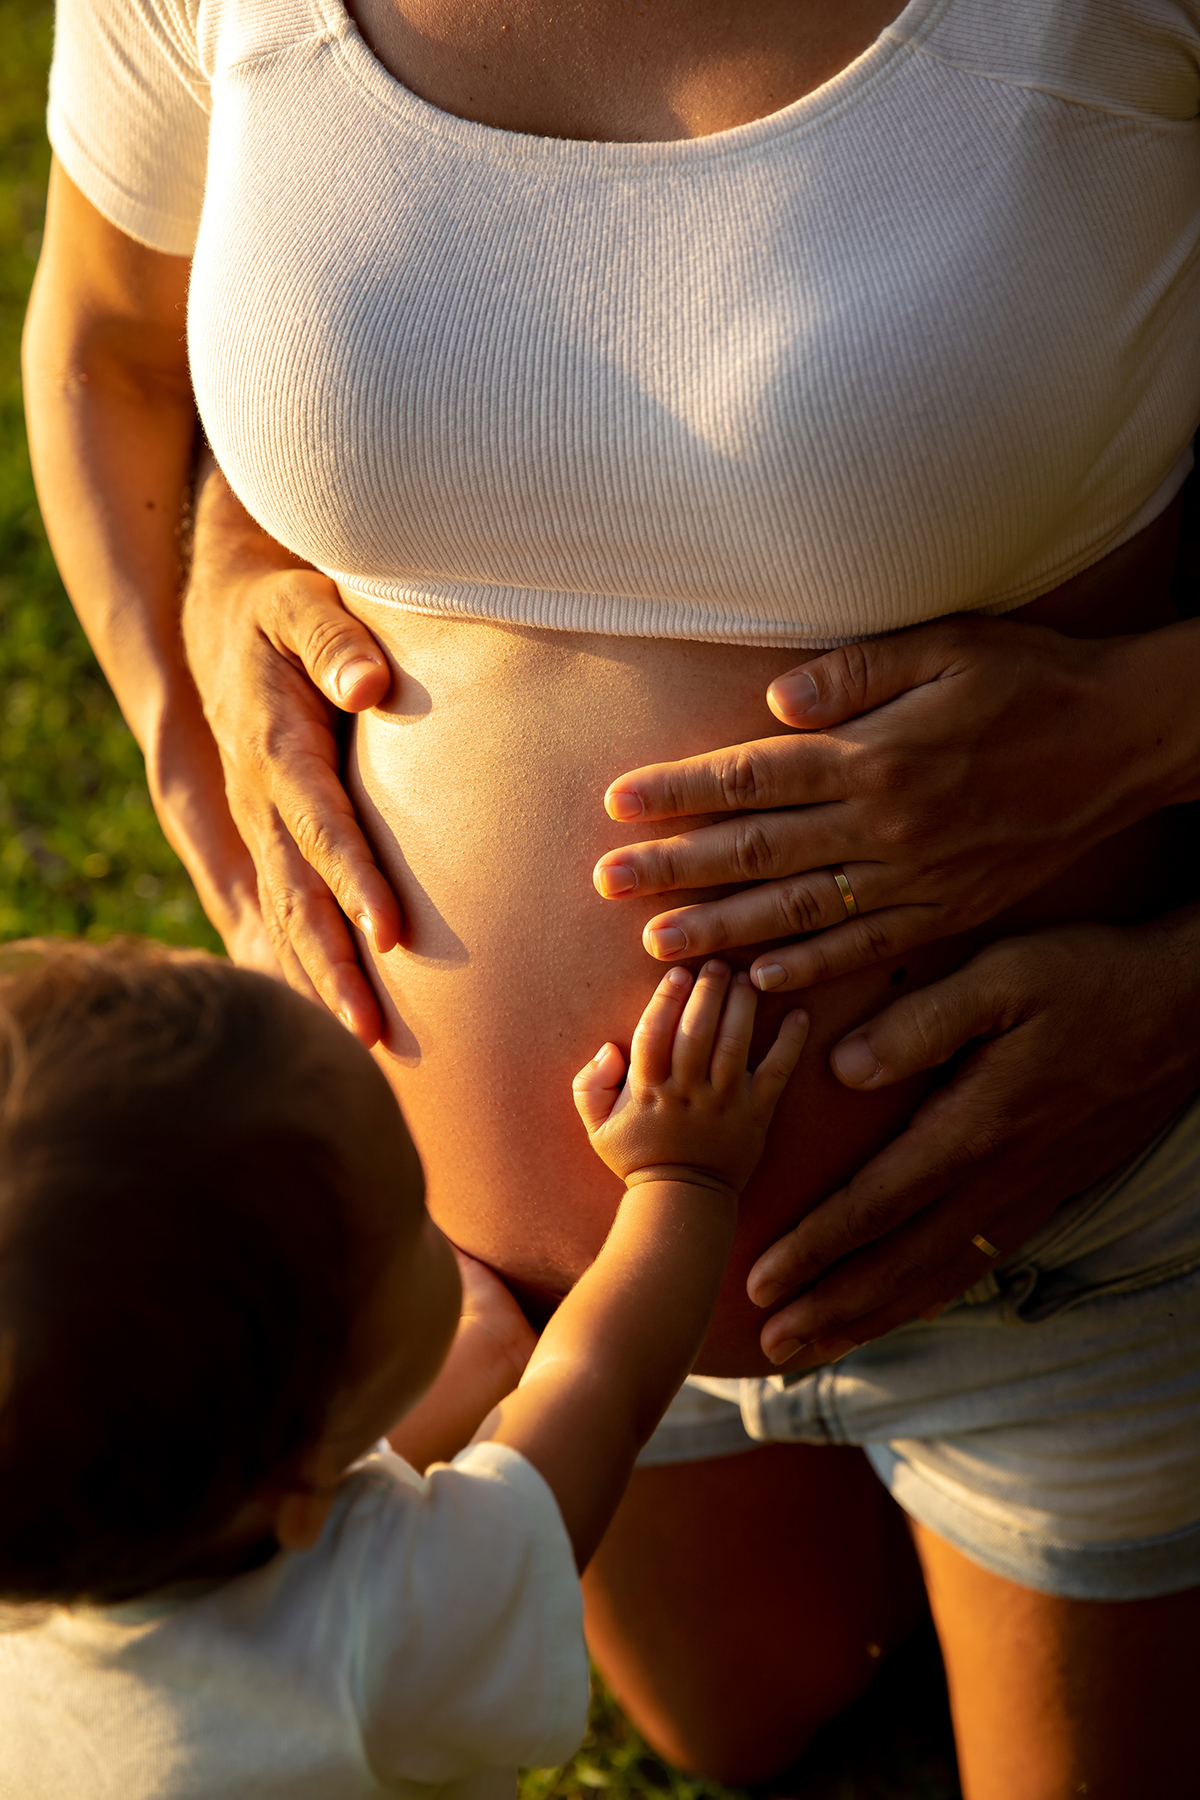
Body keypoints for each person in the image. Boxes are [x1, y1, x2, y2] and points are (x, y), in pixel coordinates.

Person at [20, 1, 1200, 1793]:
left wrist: (1157, 832)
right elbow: (109, 349)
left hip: (1068, 1211)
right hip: (471, 1299)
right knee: (756, 1723)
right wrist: (220, 766)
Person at [0, 936, 806, 1797]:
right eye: (413, 1212)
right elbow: (603, 1388)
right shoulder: (386, 1640)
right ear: (300, 1479)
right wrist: (684, 1177)